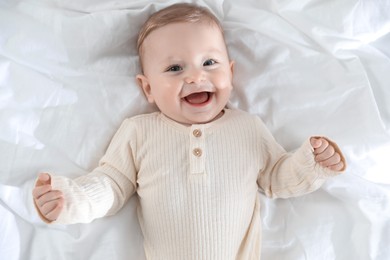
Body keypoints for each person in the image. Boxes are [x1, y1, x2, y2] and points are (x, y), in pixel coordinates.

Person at [32, 3, 346, 259]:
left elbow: (277, 178)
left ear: (230, 73)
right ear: (148, 87)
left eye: (210, 62)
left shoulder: (247, 128)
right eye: (175, 68)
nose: (196, 76)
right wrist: (73, 199)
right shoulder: (139, 132)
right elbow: (112, 185)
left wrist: (311, 162)